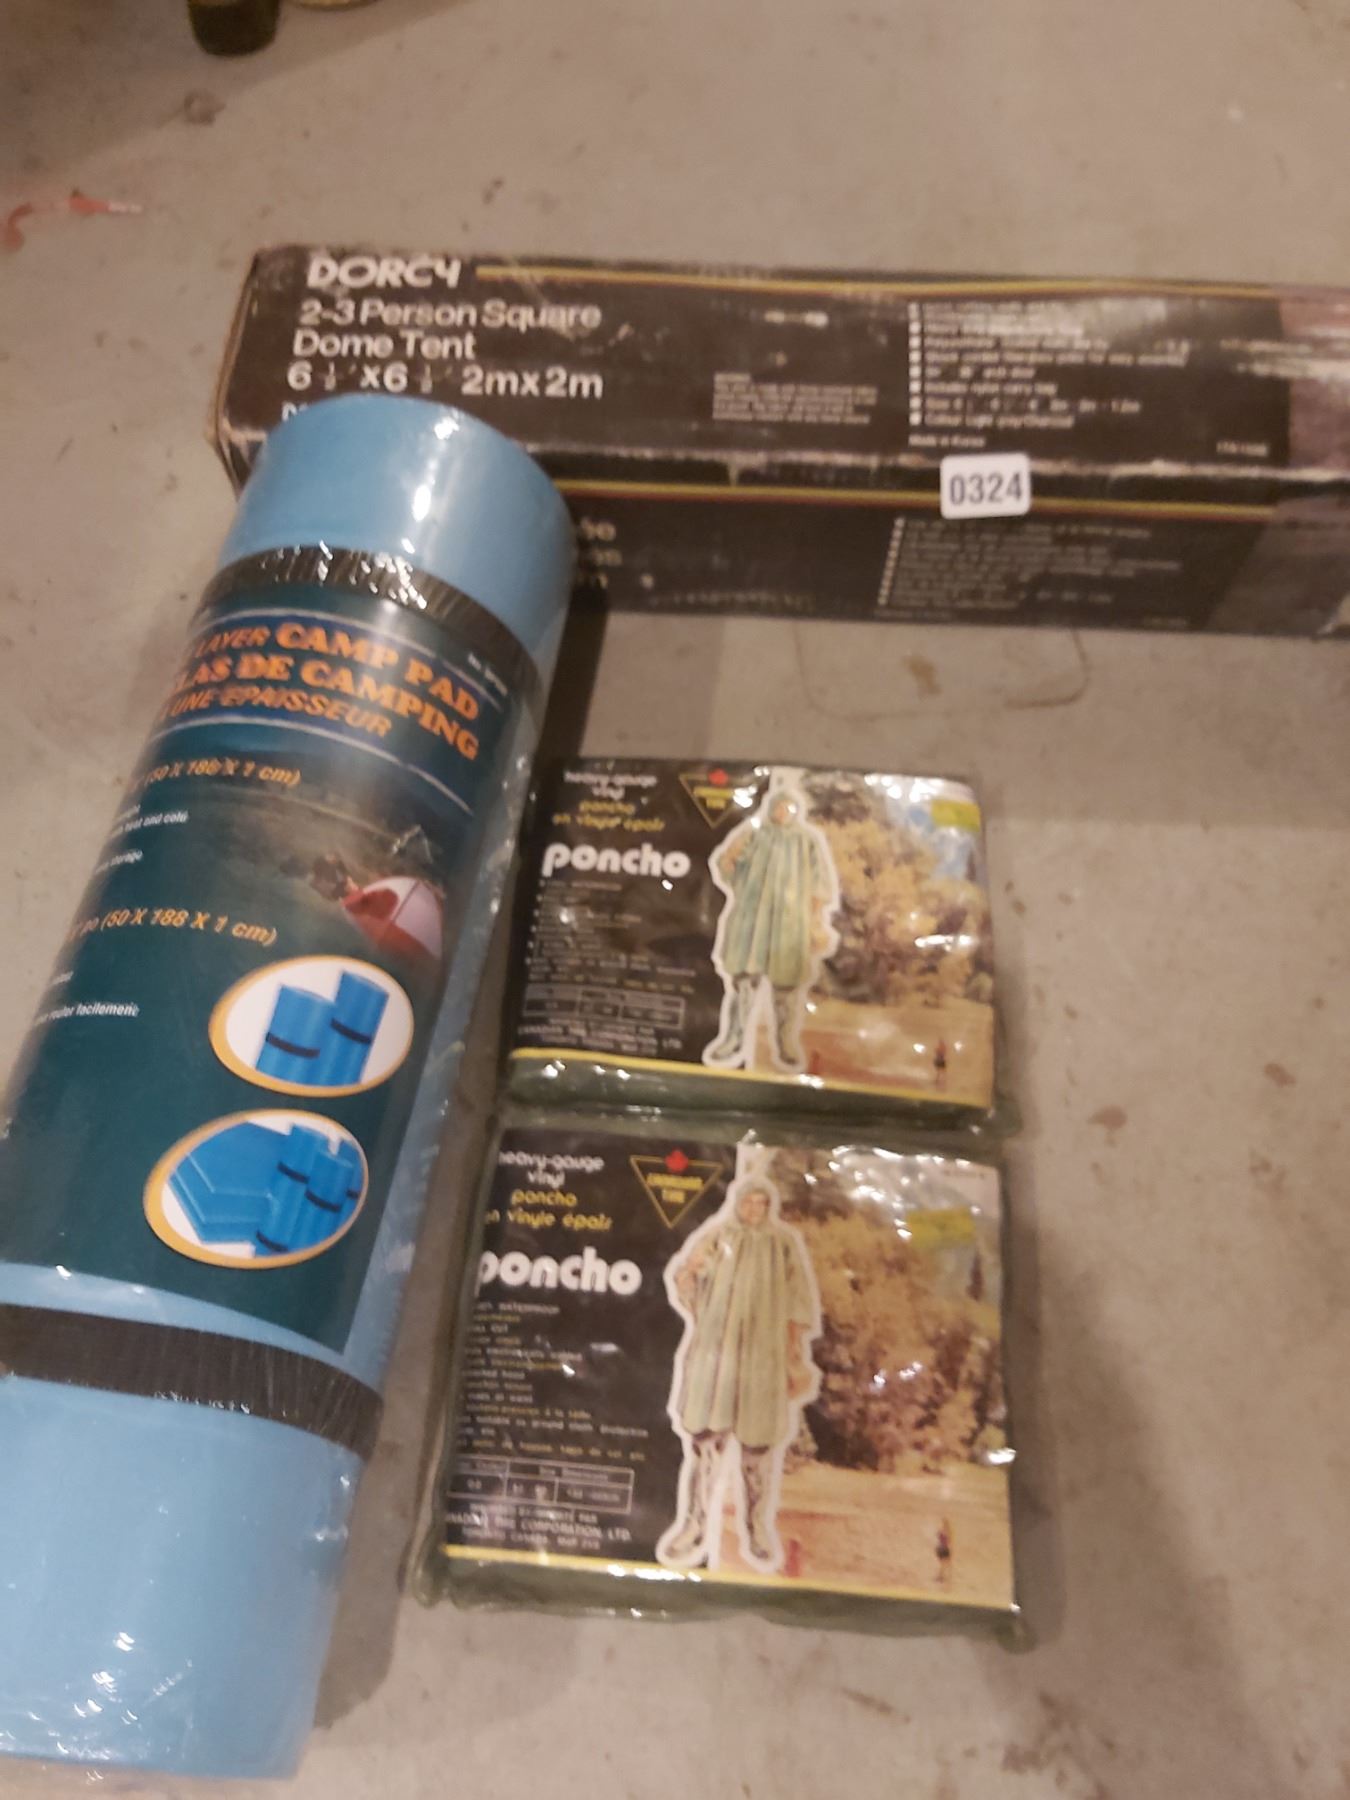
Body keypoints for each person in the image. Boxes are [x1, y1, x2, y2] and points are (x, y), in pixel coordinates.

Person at [658, 1164, 821, 1574]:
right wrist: (690, 1274)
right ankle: (694, 1525)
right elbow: (687, 1281)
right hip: (718, 1358)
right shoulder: (719, 1237)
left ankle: (757, 1529)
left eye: (761, 1203)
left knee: (757, 1452)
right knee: (705, 1446)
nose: (754, 1209)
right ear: (738, 1203)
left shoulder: (783, 1244)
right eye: (748, 1202)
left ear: (769, 1206)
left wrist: (794, 1354)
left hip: (763, 1359)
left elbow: (799, 1301)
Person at [704, 775, 839, 1073]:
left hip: (790, 925)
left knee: (786, 990)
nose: (782, 812)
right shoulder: (754, 834)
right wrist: (730, 860)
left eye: (788, 808)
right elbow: (726, 866)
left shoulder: (806, 840)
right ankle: (733, 1039)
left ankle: (786, 1044)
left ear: (795, 810)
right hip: (752, 921)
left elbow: (820, 885)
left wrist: (815, 920)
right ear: (771, 807)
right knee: (743, 983)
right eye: (779, 807)